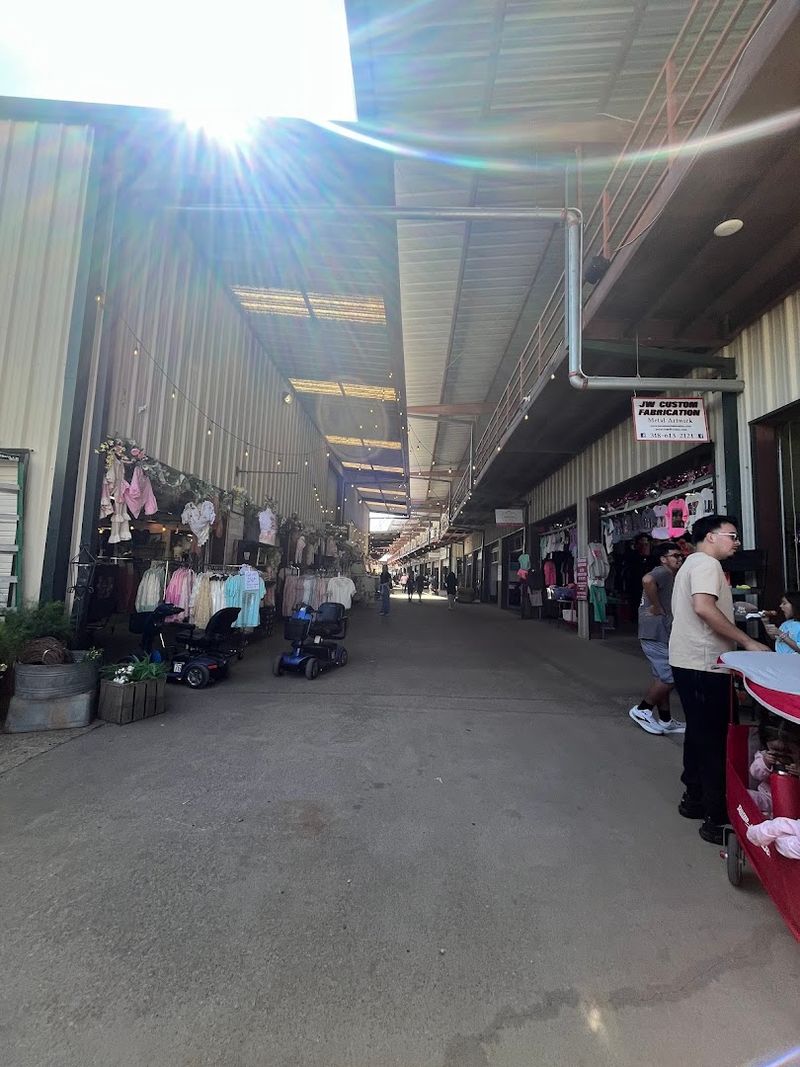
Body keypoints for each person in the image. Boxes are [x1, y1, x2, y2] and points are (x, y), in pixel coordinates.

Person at [668, 515, 769, 845]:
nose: (736, 542)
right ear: (710, 537)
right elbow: (703, 608)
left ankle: (693, 799)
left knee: (698, 733)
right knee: (712, 739)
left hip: (690, 662)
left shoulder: (693, 564)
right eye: (731, 535)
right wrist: (748, 641)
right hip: (705, 664)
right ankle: (716, 817)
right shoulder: (707, 565)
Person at [629, 542, 686, 735]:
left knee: (661, 677)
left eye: (681, 555)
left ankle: (665, 719)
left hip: (657, 632)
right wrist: (655, 606)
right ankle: (643, 709)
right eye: (675, 555)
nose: (679, 558)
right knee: (670, 676)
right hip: (655, 632)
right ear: (663, 558)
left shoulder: (668, 574)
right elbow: (646, 580)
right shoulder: (663, 572)